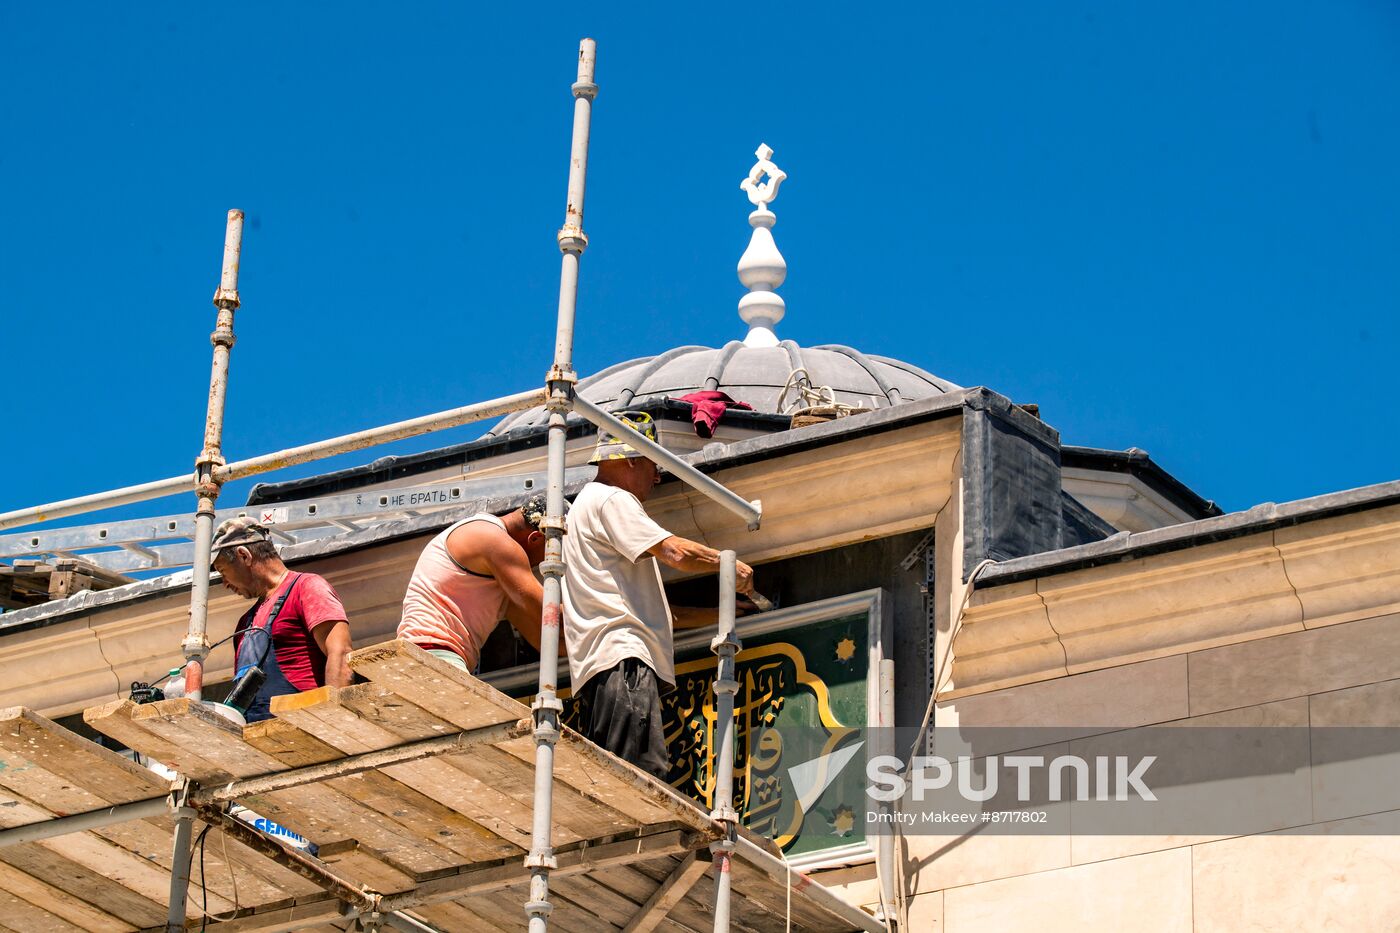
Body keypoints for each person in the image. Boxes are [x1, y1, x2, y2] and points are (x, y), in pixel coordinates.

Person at [563, 411, 755, 777]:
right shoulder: (611, 499)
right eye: (653, 463)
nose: (656, 476)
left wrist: (720, 615)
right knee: (639, 775)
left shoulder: (585, 508)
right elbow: (675, 553)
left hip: (603, 670)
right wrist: (729, 564)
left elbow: (644, 610)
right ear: (631, 458)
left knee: (618, 776)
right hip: (624, 664)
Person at [211, 517, 352, 723]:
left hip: (306, 727)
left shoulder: (306, 587)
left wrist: (334, 721)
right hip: (257, 735)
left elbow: (341, 654)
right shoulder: (244, 624)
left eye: (223, 571)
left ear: (244, 555)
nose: (224, 583)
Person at [398, 495, 550, 673]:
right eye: (551, 554)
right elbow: (551, 616)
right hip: (435, 655)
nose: (544, 563)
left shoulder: (495, 578)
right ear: (535, 538)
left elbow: (548, 639)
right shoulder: (493, 539)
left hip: (418, 656)